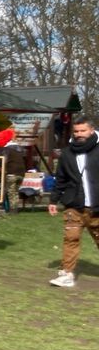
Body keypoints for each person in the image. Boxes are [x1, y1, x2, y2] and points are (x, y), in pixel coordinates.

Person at [48, 115, 99, 287]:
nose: (79, 134)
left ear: (92, 130)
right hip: (73, 204)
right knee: (71, 238)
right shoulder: (67, 153)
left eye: (83, 130)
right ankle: (67, 274)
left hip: (96, 206)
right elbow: (60, 178)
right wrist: (53, 200)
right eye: (76, 131)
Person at [2, 142, 26, 212]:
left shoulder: (7, 150)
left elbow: (4, 161)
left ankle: (12, 210)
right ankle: (15, 208)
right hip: (21, 173)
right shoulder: (20, 150)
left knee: (11, 192)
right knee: (16, 192)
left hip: (11, 173)